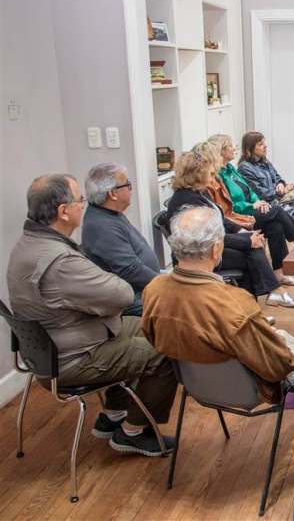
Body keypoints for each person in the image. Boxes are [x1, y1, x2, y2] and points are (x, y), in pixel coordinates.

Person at [6, 174, 177, 456]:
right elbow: (122, 294)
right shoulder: (60, 261)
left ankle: (113, 413)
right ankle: (133, 431)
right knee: (167, 350)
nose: (83, 205)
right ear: (63, 211)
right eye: (79, 200)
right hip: (74, 357)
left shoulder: (26, 244)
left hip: (55, 347)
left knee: (149, 323)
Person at [142, 206, 294, 402]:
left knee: (280, 335)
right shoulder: (235, 302)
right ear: (216, 249)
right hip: (248, 389)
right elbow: (280, 367)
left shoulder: (153, 290)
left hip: (194, 385)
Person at [167, 148, 294, 307]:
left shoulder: (198, 193)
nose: (213, 178)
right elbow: (208, 237)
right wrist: (247, 241)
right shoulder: (187, 200)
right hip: (199, 254)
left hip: (212, 245)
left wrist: (242, 231)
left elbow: (221, 221)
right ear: (197, 174)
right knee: (251, 250)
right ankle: (267, 296)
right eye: (210, 174)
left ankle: (257, 303)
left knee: (269, 230)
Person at [205, 137, 294, 287]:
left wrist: (259, 202)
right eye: (230, 146)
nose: (234, 148)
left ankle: (279, 274)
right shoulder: (219, 176)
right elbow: (231, 205)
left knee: (275, 226)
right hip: (239, 217)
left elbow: (250, 190)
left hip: (253, 208)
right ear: (221, 151)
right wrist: (253, 206)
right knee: (276, 210)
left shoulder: (231, 169)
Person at [81, 163, 160, 316]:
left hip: (145, 287)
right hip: (134, 298)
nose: (131, 189)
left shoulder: (108, 213)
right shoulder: (102, 226)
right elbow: (131, 270)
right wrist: (166, 285)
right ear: (113, 193)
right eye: (128, 185)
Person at [238, 131, 294, 234]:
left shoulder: (265, 162)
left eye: (264, 143)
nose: (265, 146)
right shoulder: (244, 168)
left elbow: (278, 177)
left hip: (279, 197)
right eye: (260, 144)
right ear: (249, 148)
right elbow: (259, 193)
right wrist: (280, 192)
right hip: (267, 203)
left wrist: (280, 184)